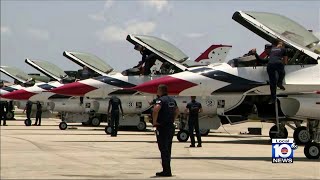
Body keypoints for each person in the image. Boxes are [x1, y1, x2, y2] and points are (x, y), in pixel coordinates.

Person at [152, 84, 179, 177]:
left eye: (157, 89)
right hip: (170, 127)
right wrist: (173, 120)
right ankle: (167, 169)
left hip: (162, 127)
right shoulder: (172, 100)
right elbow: (177, 111)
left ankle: (166, 171)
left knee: (163, 149)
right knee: (168, 148)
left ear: (161, 90)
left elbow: (156, 110)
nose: (157, 91)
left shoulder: (160, 100)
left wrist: (154, 122)